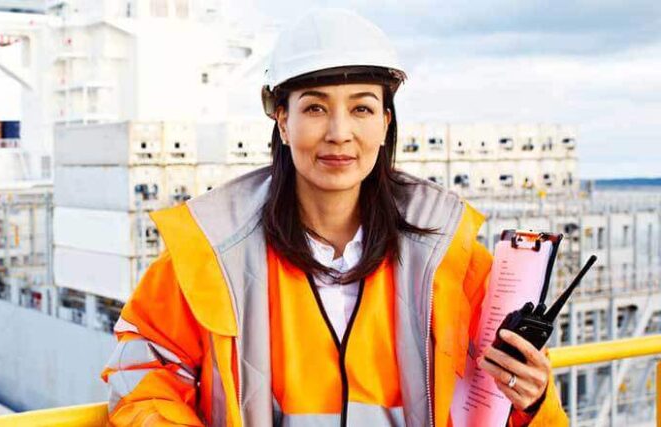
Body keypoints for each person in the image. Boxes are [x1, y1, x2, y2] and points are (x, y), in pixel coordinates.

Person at [101, 8, 567, 427]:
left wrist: (533, 401)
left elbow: (491, 405)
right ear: (283, 121)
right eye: (316, 108)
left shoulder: (449, 259)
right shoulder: (213, 251)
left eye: (361, 107)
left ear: (385, 123)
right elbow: (140, 371)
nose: (340, 133)